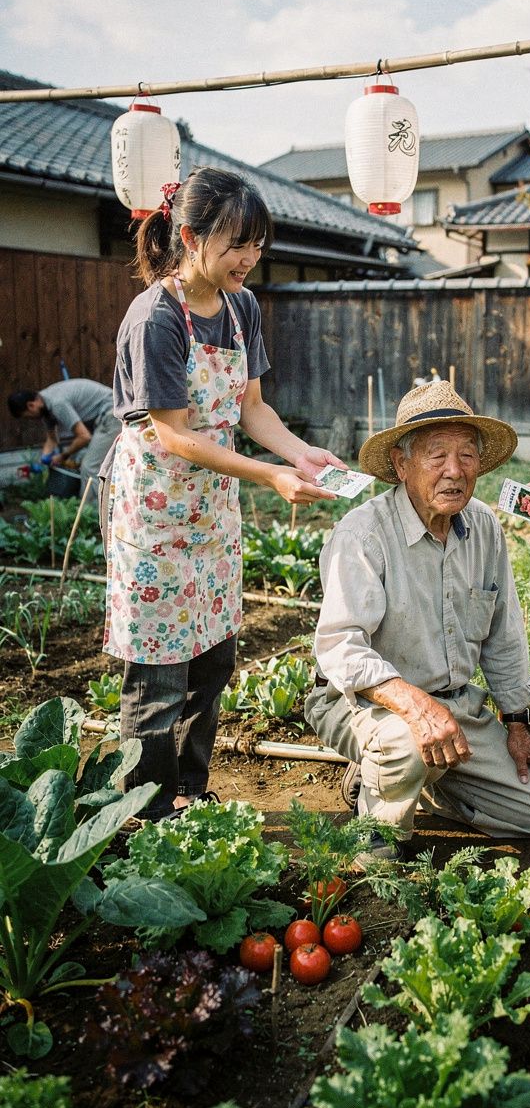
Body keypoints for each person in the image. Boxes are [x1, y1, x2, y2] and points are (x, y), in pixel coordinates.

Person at [101, 167, 344, 821]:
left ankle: (191, 792)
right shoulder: (156, 316)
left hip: (211, 514)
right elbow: (174, 435)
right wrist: (268, 476)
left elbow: (252, 409)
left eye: (257, 245)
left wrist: (299, 455)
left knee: (213, 661)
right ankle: (147, 815)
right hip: (155, 515)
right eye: (237, 244)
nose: (249, 258)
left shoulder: (241, 308)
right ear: (189, 237)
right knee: (158, 672)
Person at [304, 380, 530, 867]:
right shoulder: (363, 534)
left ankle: (417, 781)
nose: (454, 471)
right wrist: (415, 706)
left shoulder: (484, 527)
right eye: (437, 456)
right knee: (404, 746)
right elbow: (340, 646)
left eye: (466, 456)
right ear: (401, 465)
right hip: (363, 702)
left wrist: (517, 722)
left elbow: (503, 635)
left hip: (453, 707)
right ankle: (378, 829)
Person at [8, 378, 121, 500]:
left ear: (31, 405)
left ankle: (91, 510)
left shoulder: (57, 404)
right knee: (82, 458)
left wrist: (63, 456)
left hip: (112, 414)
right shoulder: (45, 407)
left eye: (28, 416)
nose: (31, 419)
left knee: (89, 467)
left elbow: (84, 437)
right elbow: (52, 439)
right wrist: (44, 460)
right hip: (103, 418)